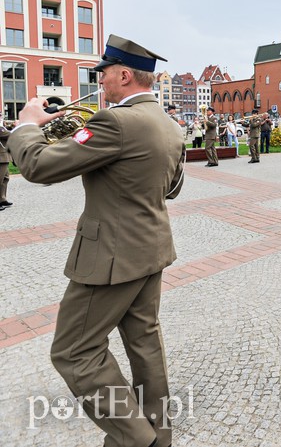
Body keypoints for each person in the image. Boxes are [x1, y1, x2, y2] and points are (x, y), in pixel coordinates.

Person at [8, 34, 184, 447]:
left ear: (124, 75)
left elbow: (37, 166)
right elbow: (172, 188)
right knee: (144, 341)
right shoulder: (169, 124)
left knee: (74, 351)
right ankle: (159, 432)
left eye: (104, 73)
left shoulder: (116, 122)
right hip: (151, 248)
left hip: (111, 256)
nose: (100, 81)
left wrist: (27, 125)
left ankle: (138, 439)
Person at [0, 116, 11, 210]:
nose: (1, 117)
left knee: (5, 178)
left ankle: (2, 199)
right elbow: (8, 135)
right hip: (1, 157)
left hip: (4, 156)